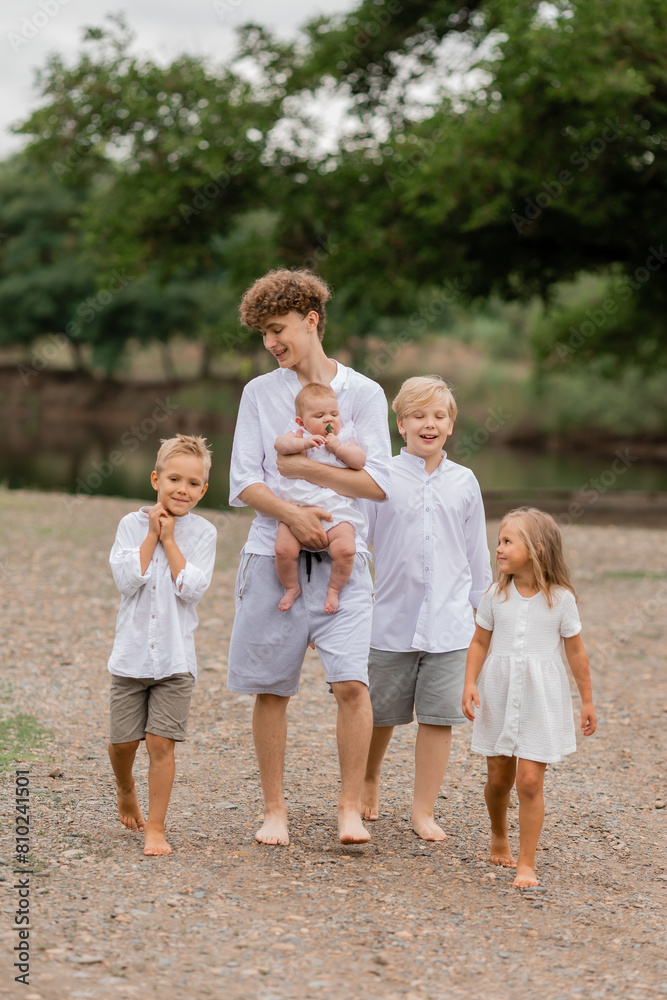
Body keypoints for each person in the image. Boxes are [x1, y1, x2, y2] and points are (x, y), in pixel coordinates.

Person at [227, 268, 393, 847]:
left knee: (352, 686)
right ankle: (275, 811)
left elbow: (378, 485)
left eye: (278, 329)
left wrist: (300, 469)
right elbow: (243, 481)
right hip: (271, 556)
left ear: (311, 321)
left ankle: (349, 810)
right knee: (272, 688)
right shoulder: (259, 393)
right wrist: (293, 515)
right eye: (263, 334)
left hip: (346, 560)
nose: (270, 343)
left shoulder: (364, 393)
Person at [361, 375, 492, 840]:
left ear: (451, 425)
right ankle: (368, 778)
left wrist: (486, 618)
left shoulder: (465, 482)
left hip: (451, 626)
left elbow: (477, 557)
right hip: (388, 620)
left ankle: (423, 811)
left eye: (438, 416)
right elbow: (357, 543)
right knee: (379, 713)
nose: (428, 424)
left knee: (439, 719)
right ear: (401, 424)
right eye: (418, 416)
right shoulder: (382, 477)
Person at [462, 506, 596, 888]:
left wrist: (587, 700)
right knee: (498, 779)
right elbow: (479, 642)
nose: (499, 549)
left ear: (536, 548)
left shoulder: (561, 599)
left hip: (541, 701)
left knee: (531, 781)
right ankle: (498, 833)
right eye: (499, 541)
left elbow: (576, 651)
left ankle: (526, 862)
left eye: (507, 541)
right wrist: (469, 682)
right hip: (498, 695)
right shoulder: (495, 595)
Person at [107, 434, 216, 856]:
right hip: (130, 656)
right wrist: (152, 534)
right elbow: (127, 580)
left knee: (160, 743)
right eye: (174, 479)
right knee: (123, 744)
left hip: (175, 660)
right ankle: (124, 786)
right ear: (156, 480)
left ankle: (156, 827)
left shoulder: (203, 533)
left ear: (203, 490)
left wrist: (171, 541)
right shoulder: (130, 526)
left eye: (192, 483)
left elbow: (192, 589)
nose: (182, 489)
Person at [274, 380, 367, 614]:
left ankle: (334, 590)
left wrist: (339, 448)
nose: (329, 420)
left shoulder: (344, 436)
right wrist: (302, 443)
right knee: (283, 550)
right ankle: (291, 587)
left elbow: (359, 462)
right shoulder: (298, 434)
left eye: (334, 414)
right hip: (297, 509)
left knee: (346, 549)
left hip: (336, 510)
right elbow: (279, 445)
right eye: (320, 416)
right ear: (301, 421)